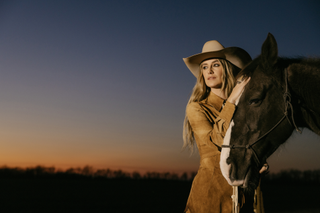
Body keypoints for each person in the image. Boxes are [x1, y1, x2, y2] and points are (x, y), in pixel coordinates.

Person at [182, 40, 268, 213]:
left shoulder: (242, 109)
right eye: (204, 67)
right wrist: (231, 101)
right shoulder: (197, 107)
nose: (209, 71)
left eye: (215, 65)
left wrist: (256, 166)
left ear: (226, 69)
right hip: (209, 196)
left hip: (242, 197)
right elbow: (215, 141)